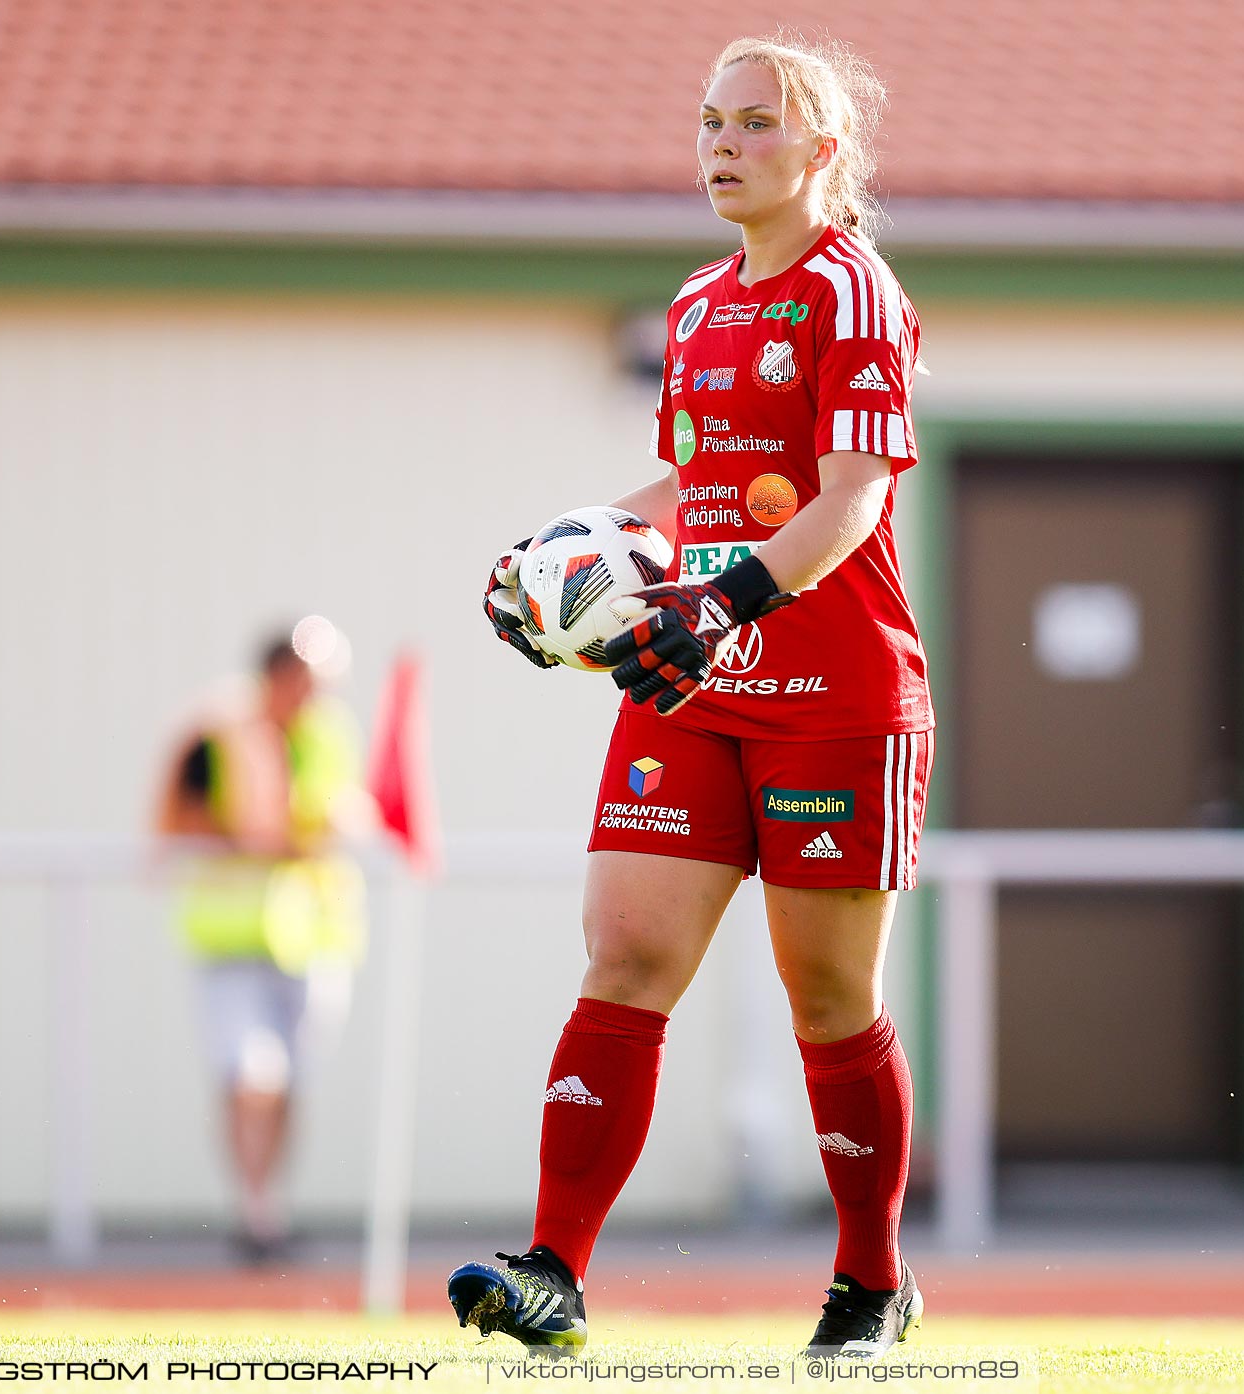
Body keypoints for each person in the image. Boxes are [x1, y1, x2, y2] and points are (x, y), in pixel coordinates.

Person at [452, 33, 932, 1360]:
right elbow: (692, 488)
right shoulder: (695, 302)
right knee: (626, 949)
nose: (724, 146)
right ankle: (552, 1270)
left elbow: (852, 498)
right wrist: (556, 552)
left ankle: (869, 1282)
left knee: (827, 995)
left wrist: (722, 599)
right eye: (710, 124)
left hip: (833, 688)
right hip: (692, 681)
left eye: (757, 125)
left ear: (823, 152)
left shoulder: (853, 292)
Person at [155, 618, 369, 1262]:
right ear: (274, 676)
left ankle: (265, 1209)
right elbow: (176, 819)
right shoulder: (215, 731)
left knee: (290, 1080)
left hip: (315, 935)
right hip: (232, 935)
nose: (315, 696)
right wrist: (249, 838)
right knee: (252, 1074)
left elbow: (342, 813)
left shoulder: (331, 733)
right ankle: (255, 1210)